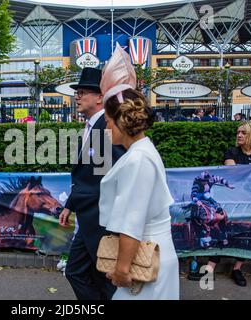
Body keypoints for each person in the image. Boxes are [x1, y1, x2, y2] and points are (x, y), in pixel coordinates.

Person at [98, 54, 179, 299]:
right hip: (151, 254)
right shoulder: (142, 151)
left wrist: (121, 269)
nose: (106, 129)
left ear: (121, 122)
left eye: (108, 122)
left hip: (144, 260)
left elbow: (132, 221)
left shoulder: (137, 159)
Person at [58, 67, 126, 300]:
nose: (77, 96)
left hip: (102, 222)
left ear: (99, 97)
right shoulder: (91, 127)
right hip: (88, 217)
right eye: (77, 92)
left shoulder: (107, 127)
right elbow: (87, 176)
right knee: (76, 272)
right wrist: (70, 204)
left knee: (102, 279)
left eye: (83, 92)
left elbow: (114, 177)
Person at [205, 121, 251, 286]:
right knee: (222, 230)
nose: (239, 135)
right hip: (231, 200)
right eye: (238, 132)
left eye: (243, 132)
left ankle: (237, 269)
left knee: (247, 233)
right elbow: (233, 175)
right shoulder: (232, 152)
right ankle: (210, 267)